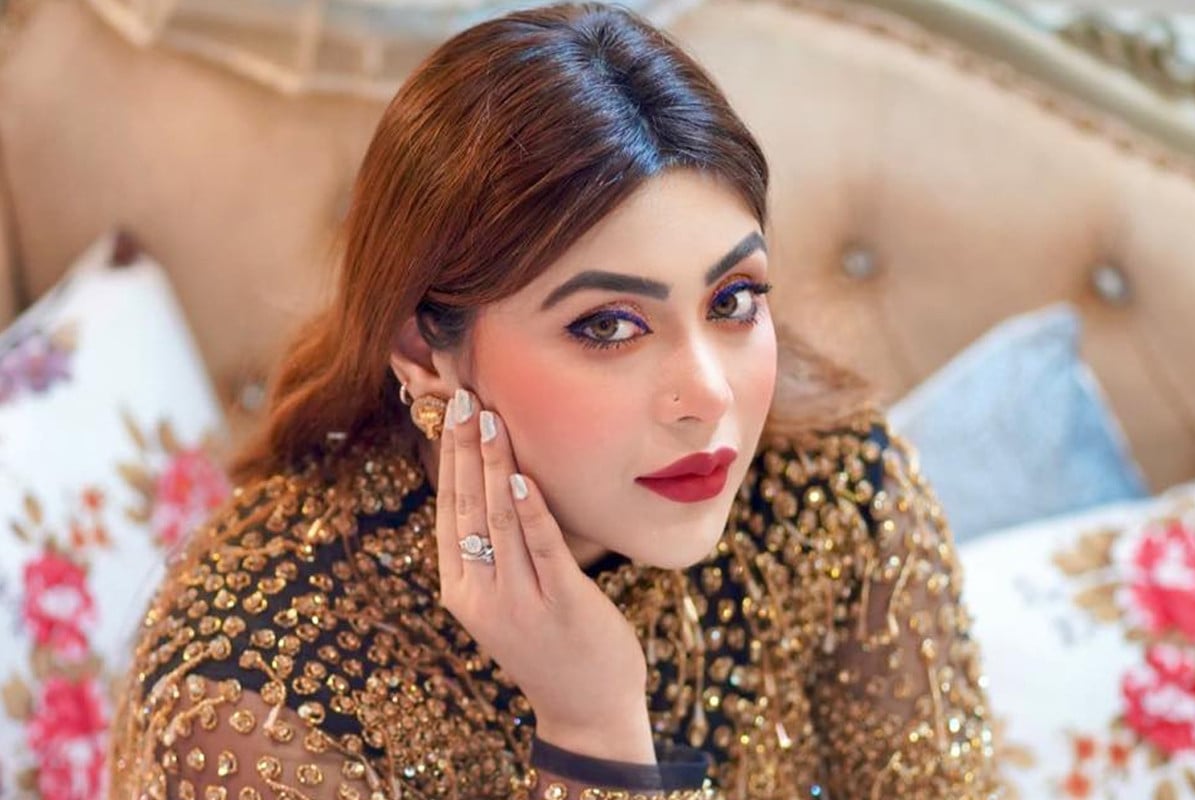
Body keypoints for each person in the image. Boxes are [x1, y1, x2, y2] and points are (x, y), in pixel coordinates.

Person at [106, 4, 1001, 798]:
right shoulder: (255, 691)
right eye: (609, 326)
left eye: (732, 301)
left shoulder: (830, 490)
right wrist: (593, 735)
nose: (708, 396)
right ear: (423, 349)